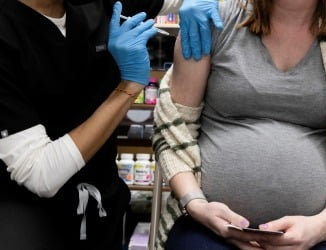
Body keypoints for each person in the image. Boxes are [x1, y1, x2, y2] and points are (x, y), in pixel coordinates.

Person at [152, 0, 326, 249]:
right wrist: (196, 204)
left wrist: (319, 228)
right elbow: (173, 130)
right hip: (204, 227)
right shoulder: (213, 22)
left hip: (318, 233)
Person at [0, 0, 222, 249]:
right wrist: (128, 88)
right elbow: (39, 172)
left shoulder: (97, 3)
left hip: (101, 207)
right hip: (27, 222)